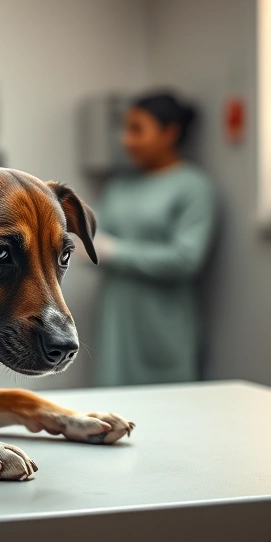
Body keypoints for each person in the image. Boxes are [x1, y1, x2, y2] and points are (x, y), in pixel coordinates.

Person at [90, 90, 217, 386]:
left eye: (137, 130)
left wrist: (115, 252)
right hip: (116, 321)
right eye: (126, 129)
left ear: (169, 133)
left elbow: (186, 259)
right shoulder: (119, 184)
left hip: (162, 324)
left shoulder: (193, 187)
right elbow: (94, 236)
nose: (126, 140)